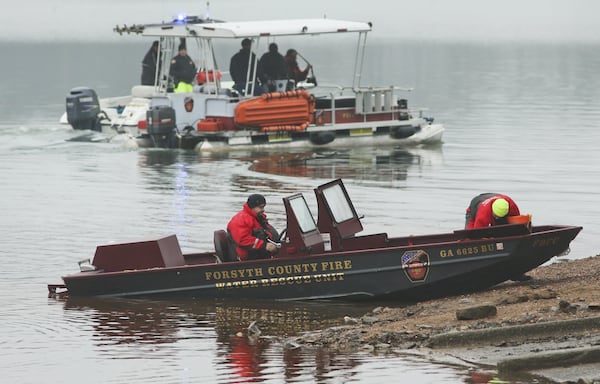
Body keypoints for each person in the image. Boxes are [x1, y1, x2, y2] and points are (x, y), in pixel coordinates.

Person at [227, 194, 279, 260]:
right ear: (252, 207)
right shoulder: (240, 220)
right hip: (246, 258)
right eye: (260, 207)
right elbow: (242, 240)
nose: (263, 210)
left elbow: (267, 233)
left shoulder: (258, 217)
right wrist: (264, 245)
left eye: (263, 207)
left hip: (261, 254)